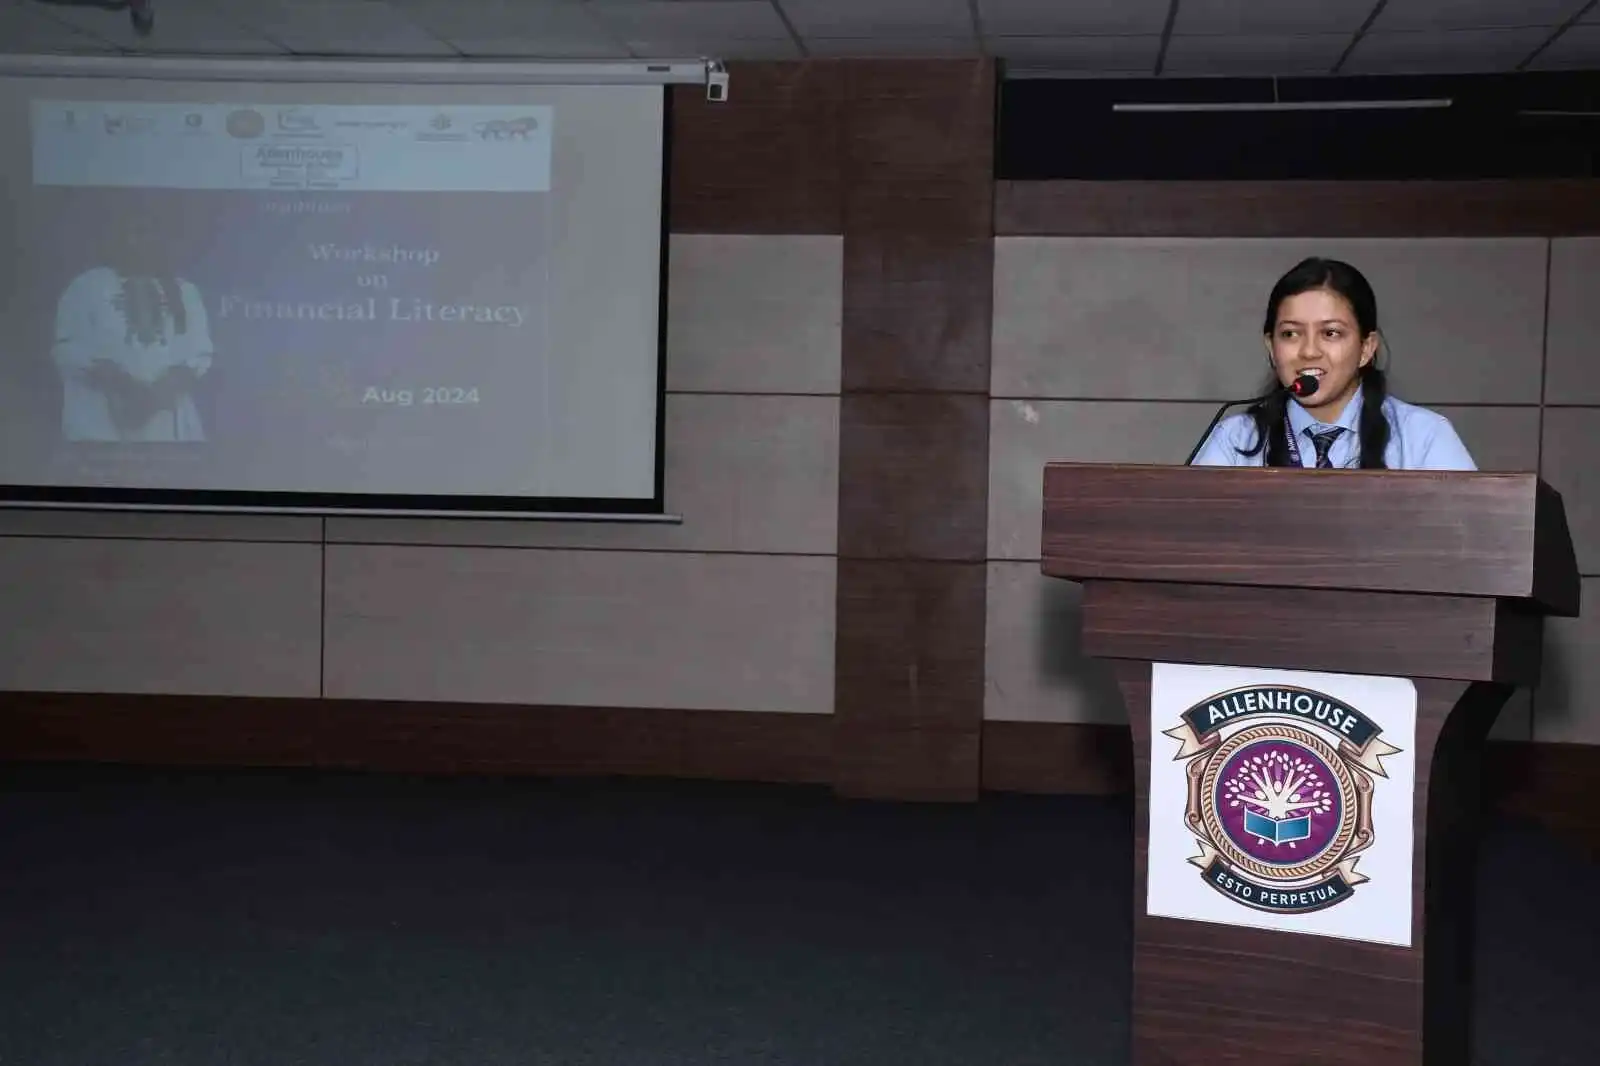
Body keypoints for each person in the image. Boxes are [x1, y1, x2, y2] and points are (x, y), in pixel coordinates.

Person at [1189, 256, 1476, 471]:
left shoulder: (1424, 437)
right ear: (1271, 348)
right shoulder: (1235, 440)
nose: (1309, 351)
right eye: (1290, 334)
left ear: (1366, 348)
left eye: (1330, 333)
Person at [50, 215, 214, 442]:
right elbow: (67, 350)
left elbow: (200, 355)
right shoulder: (86, 286)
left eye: (148, 234)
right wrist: (120, 384)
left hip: (168, 430)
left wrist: (156, 396)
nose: (138, 242)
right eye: (132, 233)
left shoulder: (185, 292)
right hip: (100, 427)